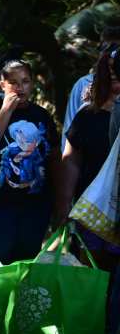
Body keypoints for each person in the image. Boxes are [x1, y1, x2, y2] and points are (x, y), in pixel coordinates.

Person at [0, 60, 60, 265]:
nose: (20, 87)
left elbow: (53, 157)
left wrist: (59, 198)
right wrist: (6, 110)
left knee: (26, 261)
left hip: (35, 205)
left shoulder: (41, 115)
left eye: (25, 81)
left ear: (32, 84)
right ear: (2, 84)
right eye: (13, 82)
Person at [56, 50, 120, 262]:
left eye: (116, 67)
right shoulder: (88, 113)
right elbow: (71, 159)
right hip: (92, 208)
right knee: (91, 271)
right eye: (108, 68)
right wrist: (64, 202)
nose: (112, 72)